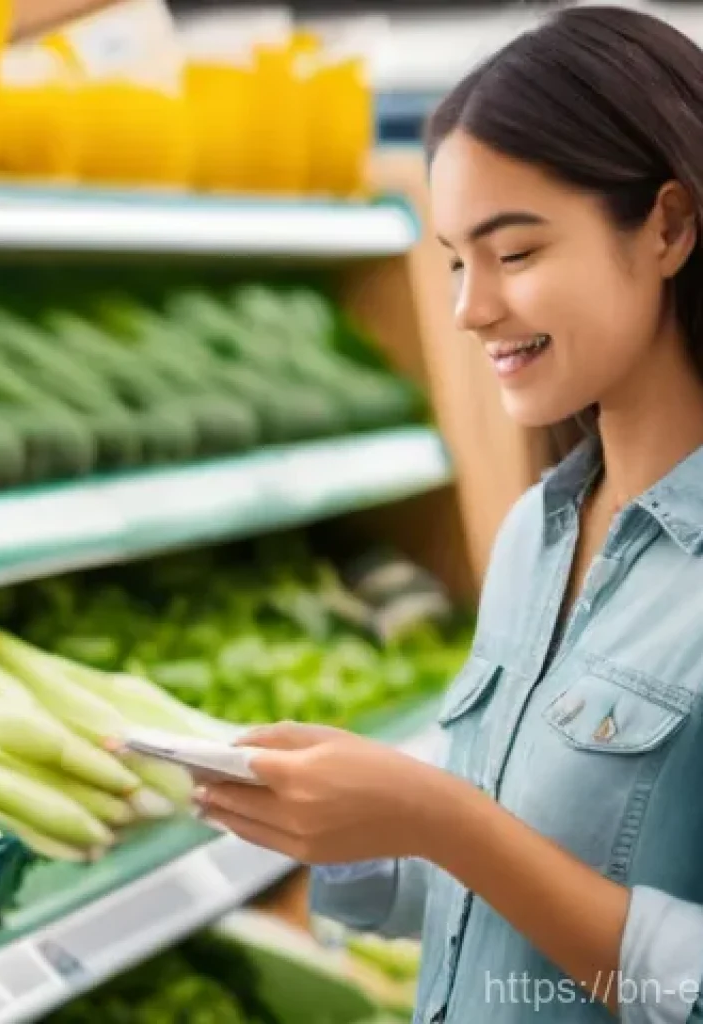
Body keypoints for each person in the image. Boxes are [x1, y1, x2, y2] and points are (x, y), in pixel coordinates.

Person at [192, 7, 703, 1022]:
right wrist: (345, 825)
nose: (468, 307)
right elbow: (519, 890)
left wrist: (445, 817)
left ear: (668, 227)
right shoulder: (530, 537)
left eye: (511, 254)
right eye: (454, 260)